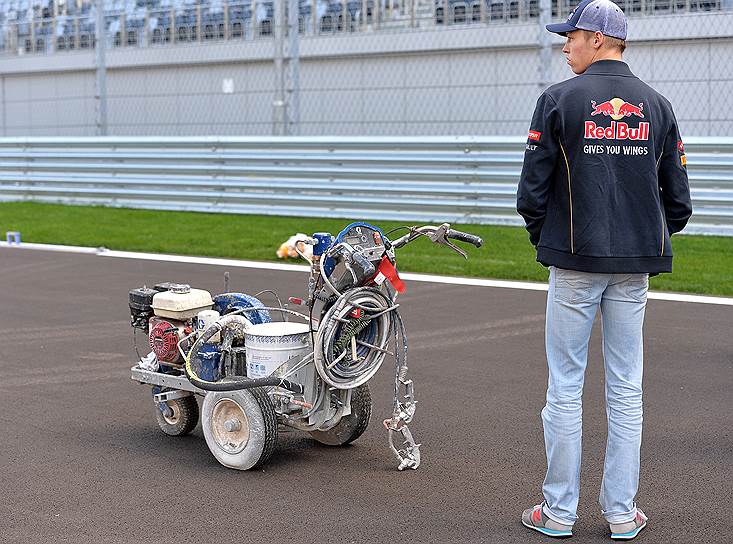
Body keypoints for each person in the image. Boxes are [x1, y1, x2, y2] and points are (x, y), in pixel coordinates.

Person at [516, 0, 692, 540]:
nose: (563, 44)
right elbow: (678, 201)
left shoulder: (557, 100)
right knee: (626, 388)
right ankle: (620, 513)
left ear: (597, 39)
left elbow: (531, 192)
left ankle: (559, 512)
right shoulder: (658, 105)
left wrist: (546, 237)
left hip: (574, 261)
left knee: (566, 387)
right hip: (634, 267)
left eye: (570, 36)